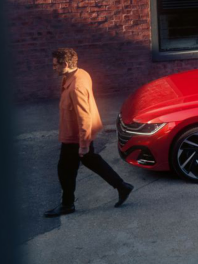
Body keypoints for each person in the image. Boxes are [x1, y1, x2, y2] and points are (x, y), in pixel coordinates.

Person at [44, 48, 134, 217]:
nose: (53, 68)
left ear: (65, 64)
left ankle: (67, 204)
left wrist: (83, 145)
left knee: (64, 169)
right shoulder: (78, 74)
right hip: (77, 134)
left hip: (76, 137)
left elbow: (83, 117)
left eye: (55, 65)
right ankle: (122, 186)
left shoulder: (76, 86)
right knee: (91, 161)